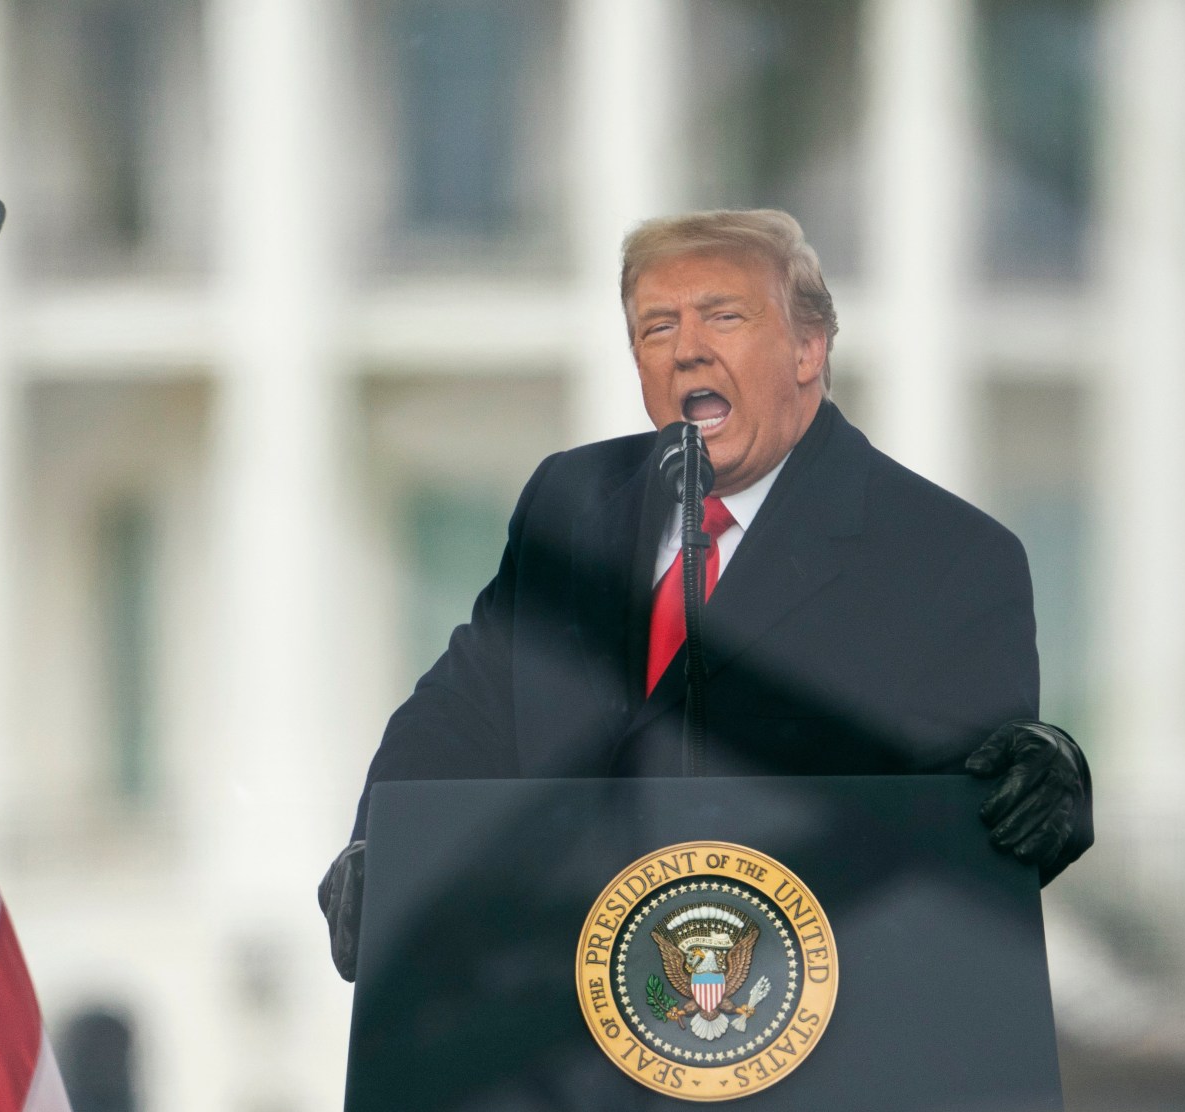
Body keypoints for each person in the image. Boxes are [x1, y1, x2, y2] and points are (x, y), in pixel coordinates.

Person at [319, 208, 1090, 979]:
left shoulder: (946, 555)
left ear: (807, 348)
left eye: (723, 316)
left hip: (809, 1029)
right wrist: (381, 850)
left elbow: (978, 813)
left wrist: (1045, 776)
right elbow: (463, 713)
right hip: (557, 1022)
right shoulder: (572, 501)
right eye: (657, 328)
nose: (687, 350)